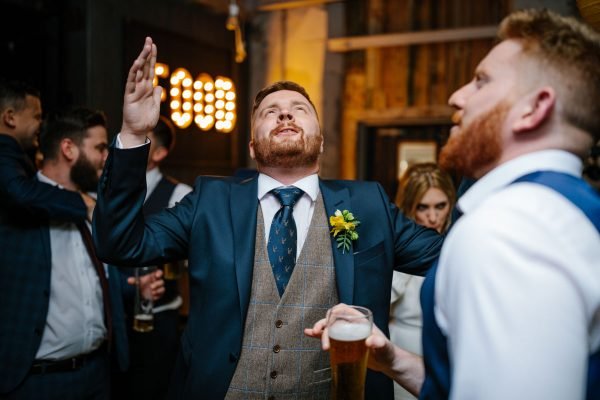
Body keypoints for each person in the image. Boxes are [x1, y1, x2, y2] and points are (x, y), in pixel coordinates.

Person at [93, 37, 444, 399]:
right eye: (269, 111)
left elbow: (451, 257)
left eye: (299, 109)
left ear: (321, 141)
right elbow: (120, 243)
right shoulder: (210, 201)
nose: (285, 114)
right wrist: (135, 134)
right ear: (252, 145)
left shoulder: (368, 204)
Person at [308, 8, 600, 400]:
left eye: (481, 81)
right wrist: (394, 361)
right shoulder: (565, 209)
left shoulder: (510, 229)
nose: (457, 95)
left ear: (534, 107)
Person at [1, 107, 164, 399]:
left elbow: (92, 284)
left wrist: (133, 289)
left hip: (99, 374)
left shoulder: (96, 207)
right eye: (101, 148)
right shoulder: (18, 207)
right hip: (36, 381)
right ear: (68, 148)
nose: (107, 157)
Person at [0, 80, 97, 395]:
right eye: (37, 116)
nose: (41, 124)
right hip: (36, 376)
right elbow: (21, 193)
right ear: (10, 117)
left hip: (93, 371)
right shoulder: (5, 156)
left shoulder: (18, 160)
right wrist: (82, 206)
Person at [116, 115, 192, 400]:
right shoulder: (109, 190)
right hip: (112, 320)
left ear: (159, 153)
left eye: (143, 142)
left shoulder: (179, 194)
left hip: (157, 320)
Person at [389, 163, 455, 400]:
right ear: (409, 207)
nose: (433, 217)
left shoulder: (459, 243)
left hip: (449, 351)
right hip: (404, 345)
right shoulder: (397, 247)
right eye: (422, 207)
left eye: (440, 206)